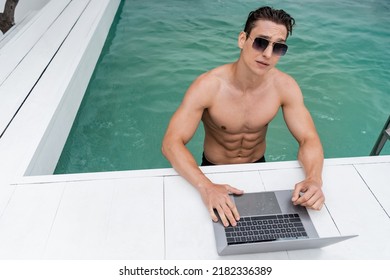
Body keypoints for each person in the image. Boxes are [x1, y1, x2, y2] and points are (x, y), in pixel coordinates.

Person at [162, 6, 324, 227]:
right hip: (213, 171)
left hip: (259, 166)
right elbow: (171, 143)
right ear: (242, 39)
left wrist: (314, 179)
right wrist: (206, 186)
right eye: (260, 42)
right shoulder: (208, 86)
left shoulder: (284, 86)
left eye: (278, 47)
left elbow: (309, 138)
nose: (267, 54)